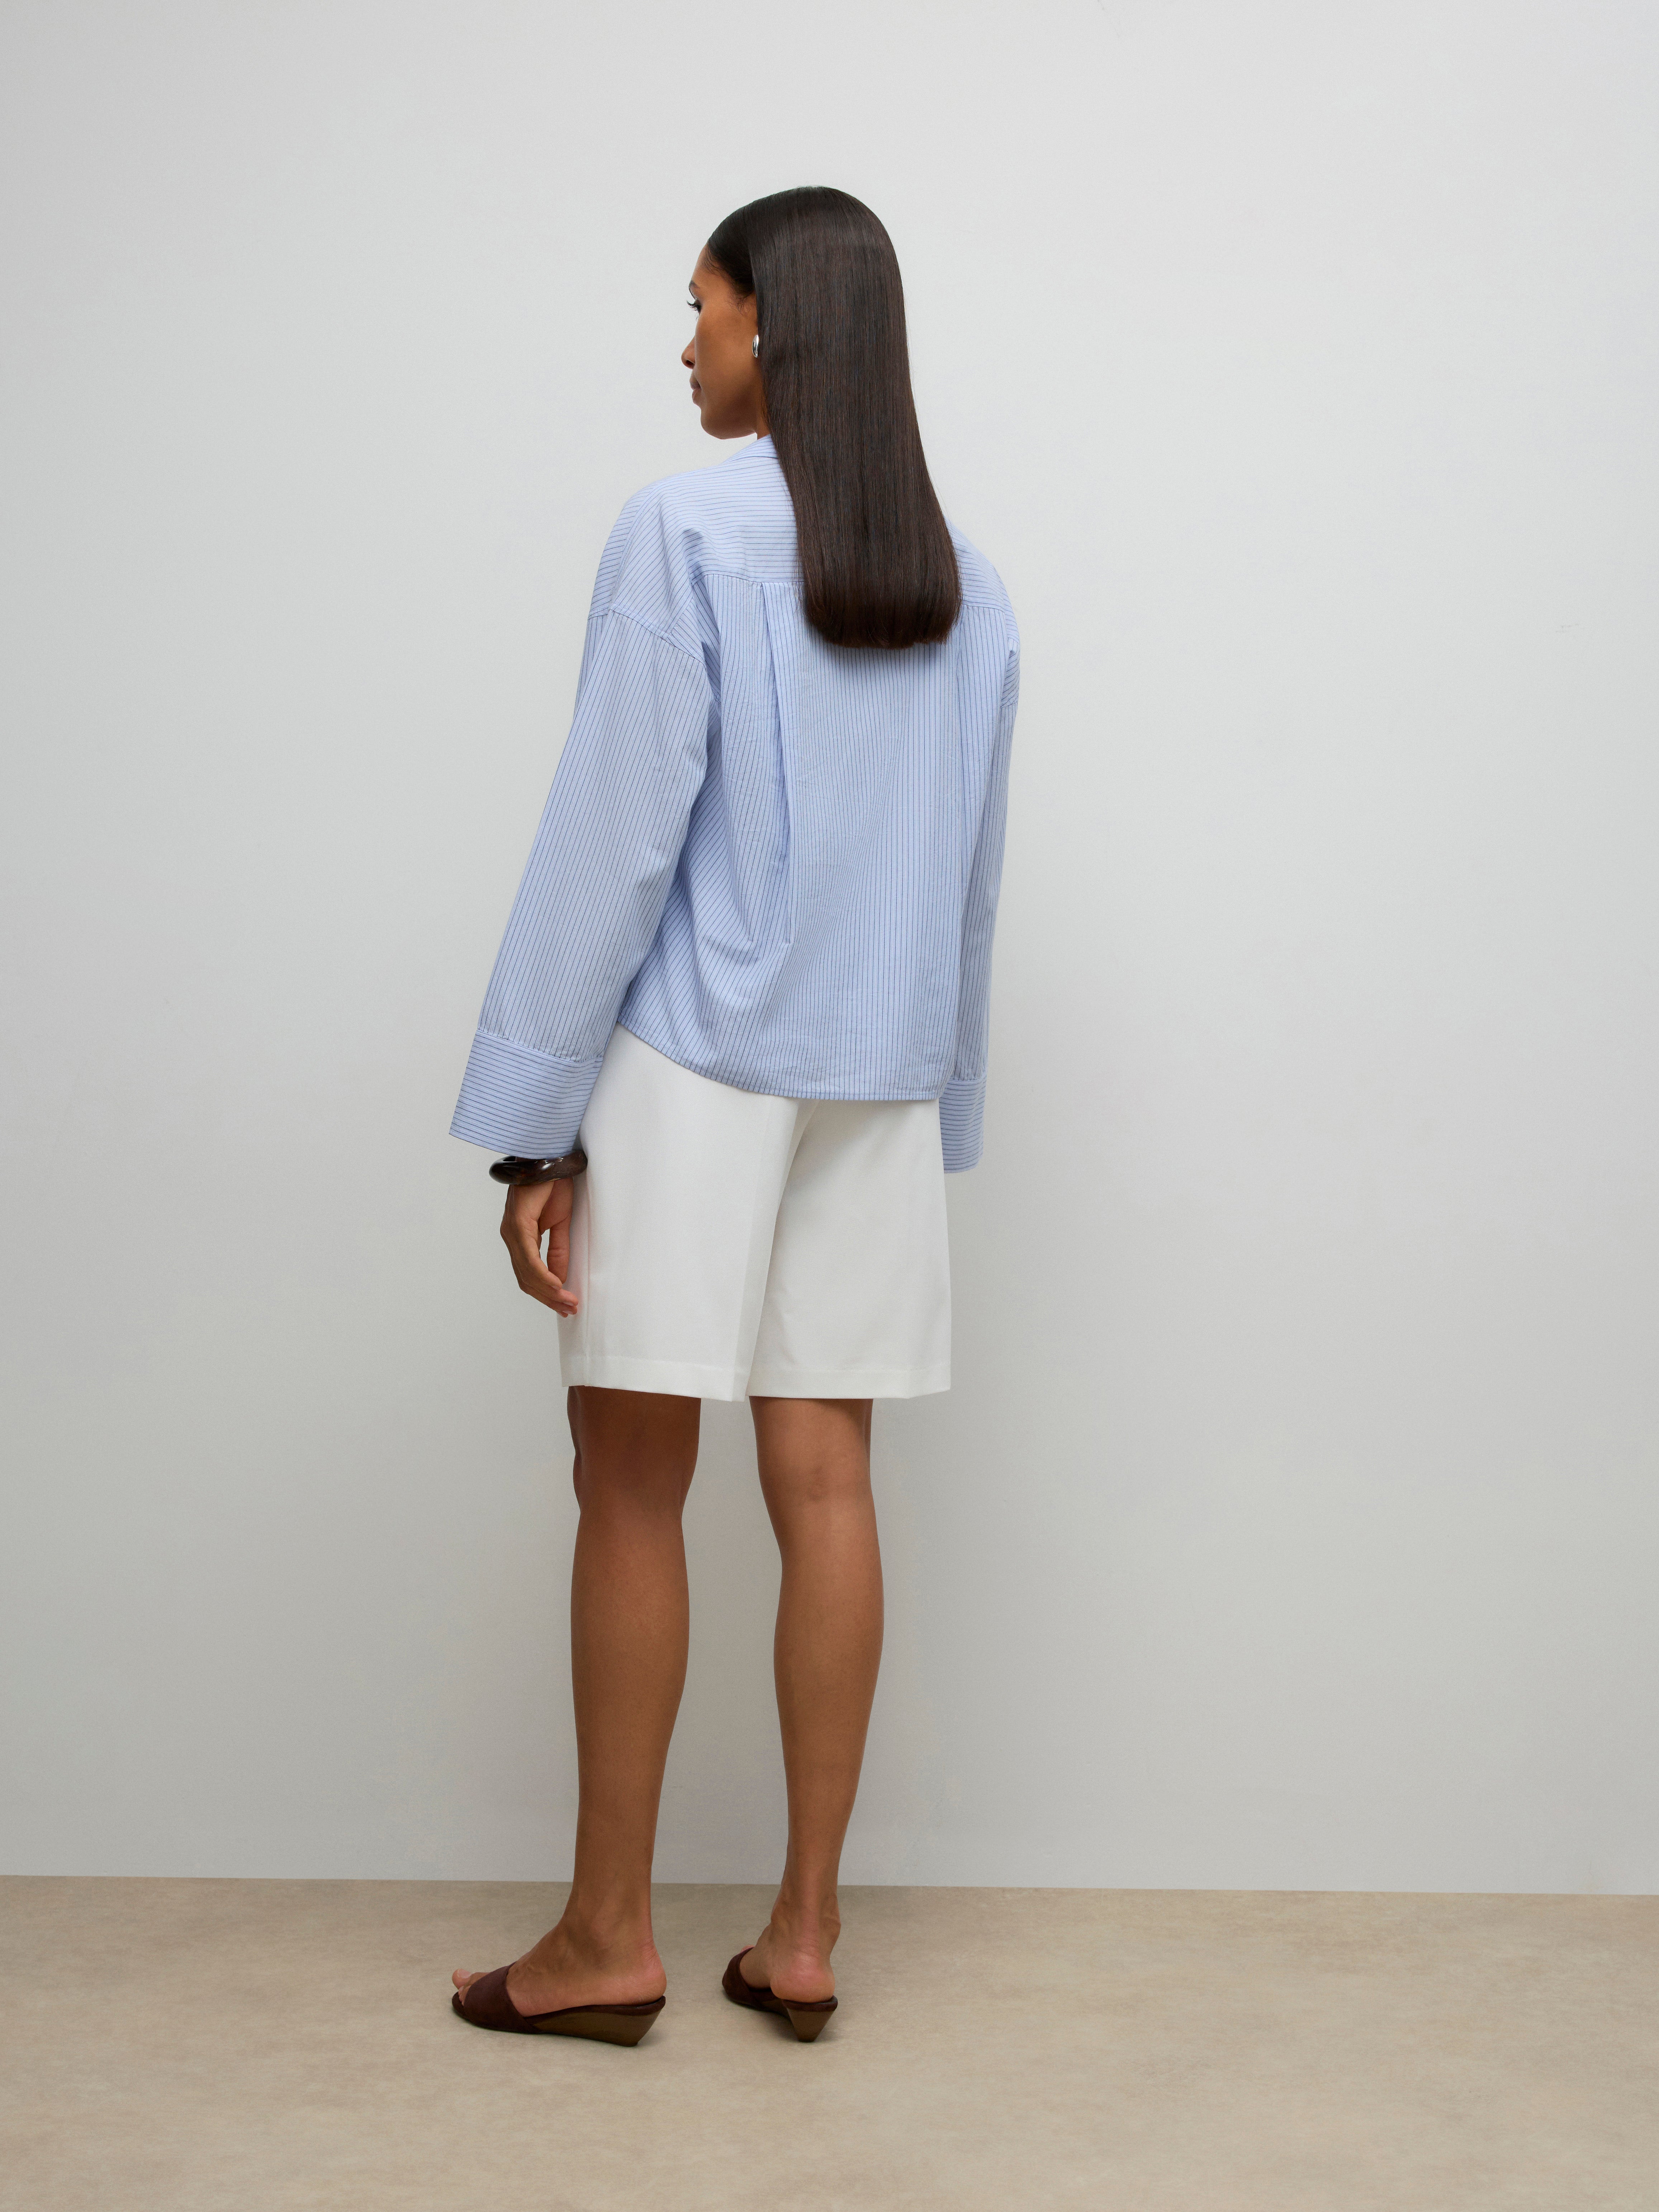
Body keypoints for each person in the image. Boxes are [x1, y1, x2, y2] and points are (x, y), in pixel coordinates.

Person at [447, 186, 1019, 2045]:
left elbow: (613, 841)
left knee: (630, 1478)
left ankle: (604, 1939)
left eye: (697, 308)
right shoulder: (961, 578)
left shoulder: (683, 532)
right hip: (874, 1076)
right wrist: (938, 1104)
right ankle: (804, 1933)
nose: (683, 343)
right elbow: (967, 886)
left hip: (697, 1062)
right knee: (828, 1480)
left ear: (771, 327)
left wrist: (535, 1123)